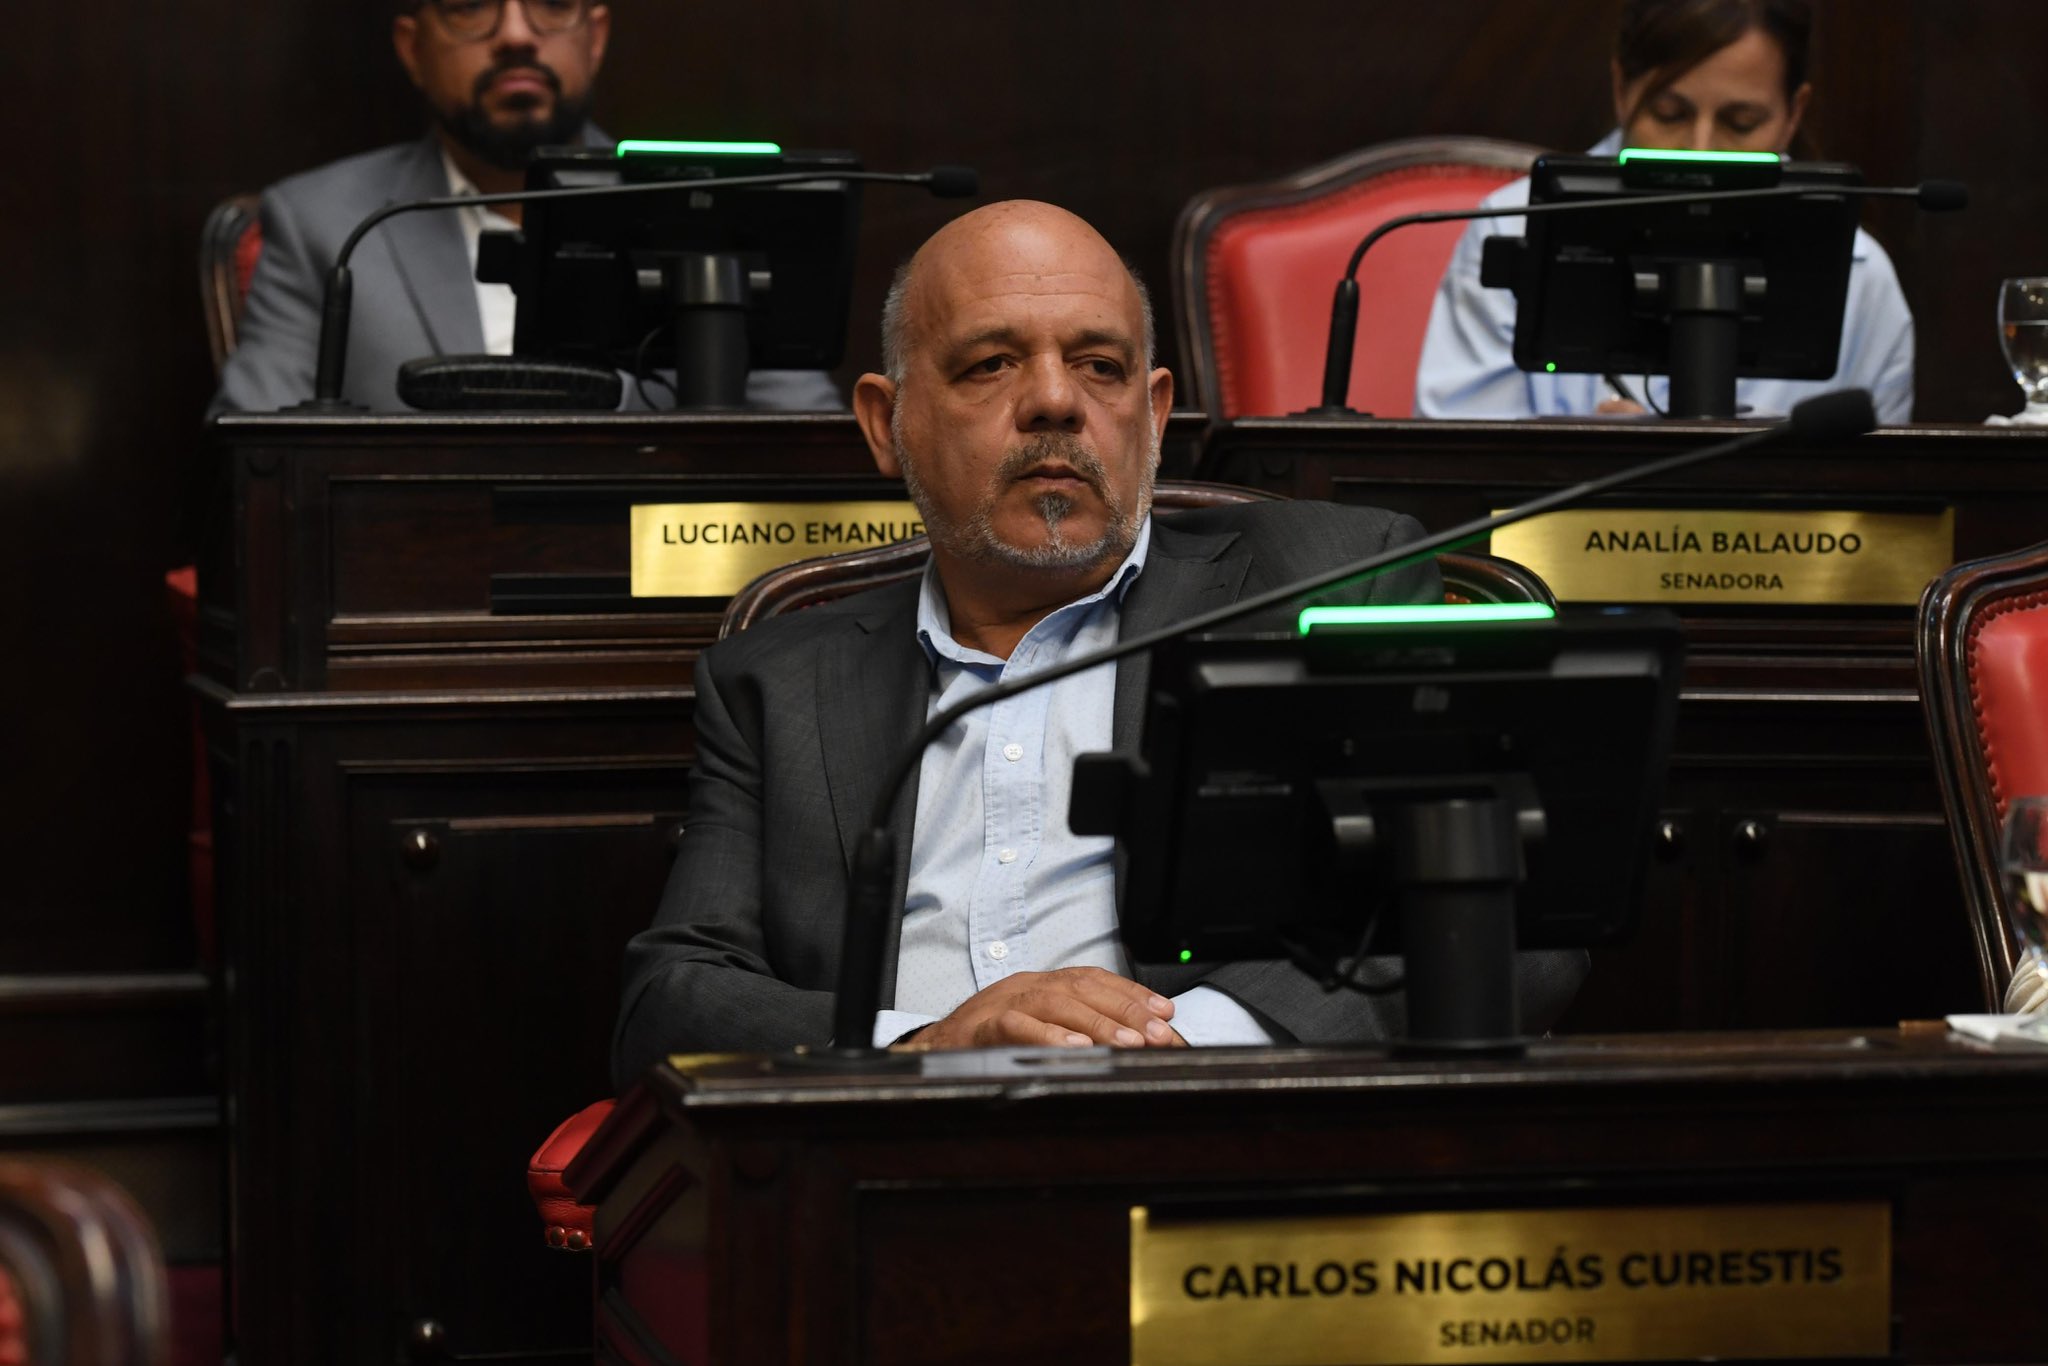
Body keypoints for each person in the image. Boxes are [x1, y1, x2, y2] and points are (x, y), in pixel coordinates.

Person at [611, 200, 1586, 1079]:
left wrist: (1181, 1046)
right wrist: (922, 1043)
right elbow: (669, 1001)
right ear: (885, 422)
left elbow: (1509, 925)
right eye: (990, 364)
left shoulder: (1328, 580)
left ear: (1152, 415)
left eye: (1099, 366)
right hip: (887, 1163)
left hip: (1229, 1151)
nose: (1054, 400)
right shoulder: (780, 679)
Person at [213, 0, 838, 414]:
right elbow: (254, 458)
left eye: (552, 5)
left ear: (596, 37)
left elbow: (809, 443)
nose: (515, 35)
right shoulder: (323, 222)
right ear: (412, 48)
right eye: (469, 7)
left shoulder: (707, 202)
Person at [1414, 0, 1914, 423]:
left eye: (1741, 123)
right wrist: (1585, 455)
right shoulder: (1509, 225)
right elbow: (1457, 470)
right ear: (1620, 89)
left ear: (1793, 114)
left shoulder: (1862, 278)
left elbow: (1880, 495)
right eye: (1669, 114)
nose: (1700, 149)